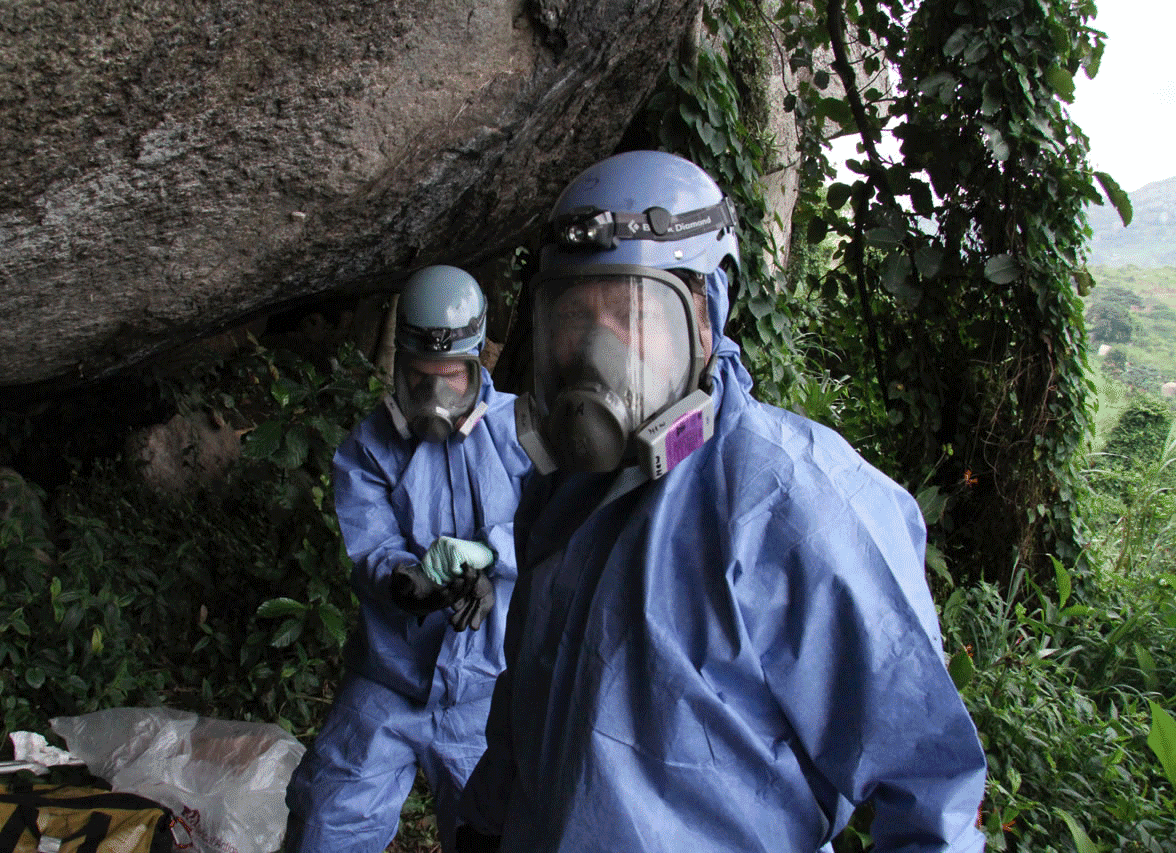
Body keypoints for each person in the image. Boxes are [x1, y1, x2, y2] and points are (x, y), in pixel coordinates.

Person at [456, 151, 988, 852]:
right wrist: (488, 825)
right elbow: (528, 700)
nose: (595, 351)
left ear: (707, 314)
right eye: (574, 315)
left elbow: (927, 786)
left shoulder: (791, 503)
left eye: (629, 311)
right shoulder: (557, 492)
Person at [285, 265, 532, 853]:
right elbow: (373, 547)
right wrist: (408, 585)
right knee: (326, 826)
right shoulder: (369, 448)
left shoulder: (522, 432)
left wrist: (495, 561)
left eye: (451, 380)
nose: (435, 400)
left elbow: (552, 527)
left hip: (488, 691)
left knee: (497, 836)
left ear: (479, 366)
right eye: (421, 381)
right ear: (398, 367)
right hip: (389, 680)